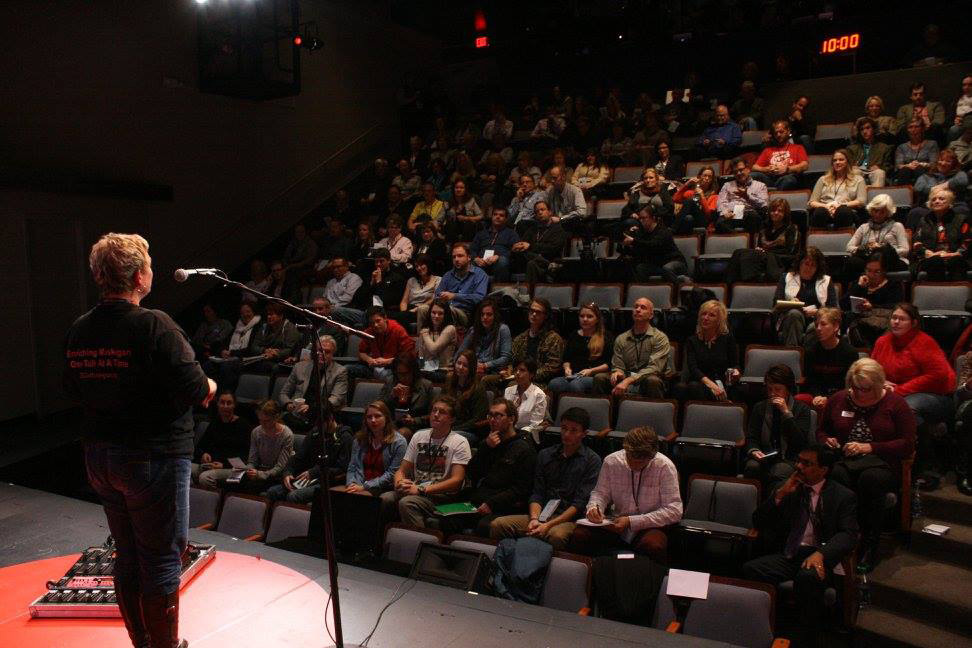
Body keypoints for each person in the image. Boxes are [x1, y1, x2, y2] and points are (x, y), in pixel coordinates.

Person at [64, 233, 216, 648]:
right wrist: (212, 383)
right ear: (138, 277)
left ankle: (142, 644)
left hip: (100, 457)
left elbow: (73, 390)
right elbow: (197, 390)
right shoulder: (154, 324)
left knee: (128, 554)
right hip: (152, 457)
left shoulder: (80, 329)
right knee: (163, 557)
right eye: (148, 263)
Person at [742, 444, 858, 648]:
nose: (798, 467)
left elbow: (848, 535)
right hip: (792, 553)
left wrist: (822, 554)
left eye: (807, 463)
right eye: (798, 461)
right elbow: (758, 522)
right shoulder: (790, 488)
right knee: (751, 569)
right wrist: (779, 496)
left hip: (822, 556)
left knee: (807, 577)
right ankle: (767, 630)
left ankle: (805, 639)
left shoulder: (843, 496)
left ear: (823, 469)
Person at [818, 358, 916, 571]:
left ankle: (870, 542)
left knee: (869, 480)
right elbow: (822, 431)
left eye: (866, 389)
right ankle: (841, 537)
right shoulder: (839, 399)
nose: (859, 393)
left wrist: (870, 447)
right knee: (837, 476)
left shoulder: (895, 404)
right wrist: (828, 440)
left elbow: (907, 444)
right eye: (855, 388)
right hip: (846, 459)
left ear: (879, 384)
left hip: (882, 463)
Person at [490, 408, 602, 550]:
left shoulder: (592, 461)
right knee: (498, 525)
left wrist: (548, 525)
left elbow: (579, 504)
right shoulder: (545, 455)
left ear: (584, 434)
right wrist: (535, 519)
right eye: (564, 428)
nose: (566, 434)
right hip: (540, 514)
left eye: (573, 430)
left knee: (556, 536)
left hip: (567, 519)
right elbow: (537, 493)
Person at [572, 426, 682, 561]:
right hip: (616, 522)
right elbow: (600, 493)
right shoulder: (612, 461)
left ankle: (649, 580)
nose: (633, 465)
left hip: (648, 525)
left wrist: (631, 521)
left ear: (652, 456)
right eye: (630, 458)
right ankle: (590, 577)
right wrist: (594, 508)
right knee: (580, 535)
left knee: (654, 545)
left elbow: (674, 511)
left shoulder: (665, 466)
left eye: (640, 462)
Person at [385, 397, 472, 528]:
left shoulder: (460, 441)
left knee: (407, 502)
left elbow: (457, 481)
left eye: (442, 412)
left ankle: (419, 543)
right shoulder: (419, 436)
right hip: (416, 488)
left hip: (441, 496)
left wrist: (421, 490)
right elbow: (401, 471)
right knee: (386, 498)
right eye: (434, 410)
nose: (436, 414)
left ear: (452, 419)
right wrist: (399, 483)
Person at [870, 303, 956, 430]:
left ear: (914, 323)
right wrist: (881, 382)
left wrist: (899, 390)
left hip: (934, 395)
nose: (896, 322)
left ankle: (917, 446)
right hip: (891, 392)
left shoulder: (925, 342)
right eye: (894, 318)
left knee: (904, 407)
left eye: (902, 319)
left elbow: (938, 375)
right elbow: (872, 369)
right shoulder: (882, 342)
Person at [460, 398, 538, 537]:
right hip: (479, 501)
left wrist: (492, 503)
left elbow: (522, 489)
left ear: (511, 419)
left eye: (498, 415)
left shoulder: (524, 448)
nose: (492, 420)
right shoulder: (488, 443)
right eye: (490, 415)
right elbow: (472, 474)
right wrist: (485, 449)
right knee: (445, 519)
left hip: (504, 507)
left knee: (483, 526)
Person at [199, 399, 294, 494]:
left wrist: (259, 474)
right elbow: (252, 460)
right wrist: (249, 470)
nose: (263, 424)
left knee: (250, 487)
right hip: (257, 470)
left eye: (267, 421)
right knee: (232, 481)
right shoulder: (256, 432)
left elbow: (280, 467)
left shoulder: (286, 435)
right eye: (260, 420)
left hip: (274, 475)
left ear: (276, 417)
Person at [265, 405, 353, 504]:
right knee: (272, 492)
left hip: (327, 482)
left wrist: (314, 472)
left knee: (293, 496)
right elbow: (298, 458)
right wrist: (288, 472)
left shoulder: (345, 437)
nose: (318, 427)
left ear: (330, 418)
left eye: (320, 424)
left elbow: (342, 469)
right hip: (307, 479)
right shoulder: (314, 432)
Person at [743, 365, 813, 489]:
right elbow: (751, 437)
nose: (772, 394)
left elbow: (800, 442)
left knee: (779, 470)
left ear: (788, 389)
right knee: (752, 467)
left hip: (790, 458)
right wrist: (754, 450)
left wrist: (786, 413)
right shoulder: (760, 408)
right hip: (765, 455)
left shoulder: (802, 409)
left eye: (777, 389)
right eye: (769, 389)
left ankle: (774, 504)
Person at [596, 298, 671, 398]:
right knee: (600, 378)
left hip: (649, 377)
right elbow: (618, 364)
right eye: (636, 307)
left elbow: (654, 368)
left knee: (653, 381)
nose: (638, 309)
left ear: (651, 315)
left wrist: (628, 380)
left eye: (643, 307)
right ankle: (607, 411)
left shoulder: (660, 338)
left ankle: (653, 411)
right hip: (626, 376)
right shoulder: (621, 338)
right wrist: (618, 372)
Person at [674, 300, 740, 402]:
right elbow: (693, 369)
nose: (705, 318)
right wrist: (711, 385)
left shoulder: (727, 339)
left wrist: (736, 371)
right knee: (689, 386)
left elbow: (735, 365)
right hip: (701, 382)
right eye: (703, 314)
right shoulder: (692, 341)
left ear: (719, 320)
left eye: (711, 315)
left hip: (722, 382)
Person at [278, 334, 349, 428]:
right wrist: (289, 405)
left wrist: (311, 408)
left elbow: (335, 400)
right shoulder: (299, 367)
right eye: (319, 350)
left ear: (333, 354)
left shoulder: (340, 371)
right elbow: (283, 393)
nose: (322, 354)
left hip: (320, 416)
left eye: (327, 352)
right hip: (295, 413)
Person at [773, 247, 838, 346]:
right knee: (794, 314)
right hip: (792, 318)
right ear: (799, 263)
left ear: (817, 268)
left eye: (813, 265)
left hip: (816, 318)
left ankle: (806, 357)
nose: (808, 268)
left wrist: (817, 312)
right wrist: (790, 303)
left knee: (815, 327)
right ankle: (792, 353)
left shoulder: (826, 281)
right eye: (806, 264)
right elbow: (776, 302)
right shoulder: (787, 277)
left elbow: (833, 308)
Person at [799, 308, 860, 412]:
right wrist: (817, 396)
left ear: (836, 326)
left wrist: (828, 398)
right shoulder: (810, 351)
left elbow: (848, 384)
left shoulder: (849, 353)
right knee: (799, 400)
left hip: (839, 396)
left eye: (823, 324)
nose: (818, 328)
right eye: (816, 324)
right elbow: (810, 380)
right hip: (815, 396)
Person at [416, 243, 489, 328]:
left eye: (460, 256)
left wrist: (455, 296)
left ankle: (444, 338)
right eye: (454, 257)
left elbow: (479, 298)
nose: (456, 259)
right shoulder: (448, 275)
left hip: (466, 313)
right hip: (445, 308)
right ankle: (421, 338)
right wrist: (442, 298)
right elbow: (437, 294)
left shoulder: (479, 274)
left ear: (469, 257)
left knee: (448, 311)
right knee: (422, 309)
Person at [726, 198, 798, 283]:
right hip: (763, 256)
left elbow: (790, 251)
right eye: (773, 210)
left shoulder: (791, 228)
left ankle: (749, 280)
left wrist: (766, 252)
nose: (776, 213)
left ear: (785, 214)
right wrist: (760, 249)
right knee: (738, 252)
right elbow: (759, 246)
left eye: (780, 211)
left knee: (752, 255)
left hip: (779, 259)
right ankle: (729, 285)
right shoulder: (764, 227)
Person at [548, 304, 614, 395]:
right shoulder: (574, 335)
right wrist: (567, 368)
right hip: (573, 375)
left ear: (597, 319)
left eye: (589, 316)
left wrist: (591, 371)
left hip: (593, 376)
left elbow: (609, 364)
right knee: (554, 384)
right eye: (582, 316)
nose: (585, 319)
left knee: (576, 385)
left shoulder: (606, 336)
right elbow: (566, 359)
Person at [845, 254, 906, 348]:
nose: (871, 275)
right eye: (868, 270)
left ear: (884, 271)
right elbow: (843, 304)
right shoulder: (858, 283)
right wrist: (858, 287)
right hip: (859, 321)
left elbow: (896, 306)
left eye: (877, 272)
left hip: (882, 323)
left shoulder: (893, 285)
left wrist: (872, 306)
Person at [909, 187, 970, 281]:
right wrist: (927, 252)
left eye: (941, 199)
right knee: (935, 261)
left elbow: (968, 241)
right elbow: (917, 242)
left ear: (950, 203)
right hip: (931, 257)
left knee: (956, 262)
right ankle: (938, 293)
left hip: (955, 256)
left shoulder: (961, 219)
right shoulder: (924, 220)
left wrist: (956, 253)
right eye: (933, 199)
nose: (937, 201)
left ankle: (957, 293)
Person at [844, 194, 910, 280]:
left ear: (888, 213)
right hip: (870, 259)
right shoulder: (864, 227)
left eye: (882, 212)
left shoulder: (897, 226)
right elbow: (849, 247)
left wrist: (882, 249)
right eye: (875, 211)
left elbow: (905, 250)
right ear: (871, 210)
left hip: (891, 260)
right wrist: (866, 248)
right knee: (852, 262)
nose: (878, 214)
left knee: (885, 257)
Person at [617, 204, 688, 284]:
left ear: (653, 218)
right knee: (640, 268)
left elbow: (653, 245)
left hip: (675, 261)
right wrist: (626, 243)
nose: (641, 221)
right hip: (658, 264)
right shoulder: (641, 232)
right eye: (639, 219)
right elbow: (637, 251)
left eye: (644, 218)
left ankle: (679, 289)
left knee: (667, 268)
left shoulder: (663, 231)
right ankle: (643, 293)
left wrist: (634, 241)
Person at [192, 391, 251, 485]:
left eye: (229, 403)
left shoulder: (243, 425)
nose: (225, 406)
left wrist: (223, 465)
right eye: (222, 402)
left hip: (234, 468)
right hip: (211, 465)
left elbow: (244, 456)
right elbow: (201, 446)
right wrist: (204, 454)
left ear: (234, 405)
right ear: (218, 404)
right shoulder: (215, 422)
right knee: (184, 468)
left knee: (205, 477)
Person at [506, 297, 565, 387]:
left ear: (545, 316)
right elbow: (512, 360)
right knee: (489, 381)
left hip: (540, 381)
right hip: (518, 376)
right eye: (532, 311)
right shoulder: (520, 338)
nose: (533, 314)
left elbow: (552, 367)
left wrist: (527, 376)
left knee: (512, 386)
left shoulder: (554, 339)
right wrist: (509, 371)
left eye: (538, 312)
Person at [510, 199, 569, 283]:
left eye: (542, 210)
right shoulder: (532, 230)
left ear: (550, 212)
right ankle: (546, 264)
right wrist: (517, 247)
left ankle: (528, 293)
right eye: (537, 211)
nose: (540, 213)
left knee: (532, 264)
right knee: (520, 255)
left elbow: (553, 249)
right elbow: (523, 245)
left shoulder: (558, 230)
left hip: (549, 260)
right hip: (534, 261)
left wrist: (530, 246)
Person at [808, 149, 867, 229]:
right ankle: (819, 239)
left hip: (846, 211)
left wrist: (839, 206)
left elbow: (861, 201)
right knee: (820, 212)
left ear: (848, 162)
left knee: (842, 211)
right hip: (825, 209)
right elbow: (812, 202)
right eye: (835, 160)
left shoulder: (858, 179)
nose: (837, 162)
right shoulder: (823, 179)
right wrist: (827, 206)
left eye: (841, 160)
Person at [380, 353, 433, 441]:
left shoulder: (426, 386)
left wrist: (414, 420)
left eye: (406, 374)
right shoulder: (390, 382)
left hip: (415, 426)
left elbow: (433, 414)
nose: (403, 378)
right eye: (399, 374)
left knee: (401, 434)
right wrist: (392, 396)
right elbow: (379, 406)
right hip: (392, 423)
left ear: (413, 372)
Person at [355, 306, 415, 383]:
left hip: (392, 367)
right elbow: (361, 352)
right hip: (373, 367)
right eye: (372, 323)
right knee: (348, 369)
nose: (375, 325)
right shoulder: (369, 331)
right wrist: (369, 360)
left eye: (378, 321)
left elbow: (409, 356)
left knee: (391, 376)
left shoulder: (398, 330)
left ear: (385, 318)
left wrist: (387, 361)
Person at [456, 297, 512, 378]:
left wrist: (485, 365)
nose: (485, 317)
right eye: (482, 314)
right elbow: (460, 352)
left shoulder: (503, 329)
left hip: (493, 370)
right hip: (474, 367)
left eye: (489, 314)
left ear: (495, 316)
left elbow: (505, 358)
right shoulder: (474, 330)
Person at [443, 350, 489, 445]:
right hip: (448, 427)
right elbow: (440, 403)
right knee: (421, 435)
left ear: (471, 368)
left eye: (465, 365)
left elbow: (477, 420)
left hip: (470, 431)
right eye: (458, 363)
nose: (460, 367)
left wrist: (452, 429)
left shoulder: (478, 388)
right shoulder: (449, 381)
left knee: (445, 439)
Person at [715, 157, 768, 235]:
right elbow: (721, 202)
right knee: (719, 223)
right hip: (732, 214)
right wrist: (725, 212)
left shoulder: (760, 185)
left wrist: (747, 197)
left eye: (741, 170)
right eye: (735, 172)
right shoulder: (727, 185)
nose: (738, 173)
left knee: (754, 217)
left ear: (748, 169)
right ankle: (739, 239)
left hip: (749, 213)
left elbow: (764, 204)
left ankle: (749, 242)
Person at [751, 120, 809, 190]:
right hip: (770, 178)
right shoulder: (768, 150)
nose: (778, 135)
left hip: (787, 176)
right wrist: (765, 169)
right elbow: (754, 167)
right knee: (753, 175)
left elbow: (804, 165)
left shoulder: (798, 147)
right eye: (776, 133)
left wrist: (787, 169)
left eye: (781, 132)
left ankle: (775, 196)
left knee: (789, 180)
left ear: (788, 131)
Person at [503, 358, 550, 444]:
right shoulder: (508, 391)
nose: (517, 373)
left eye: (522, 370)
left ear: (531, 374)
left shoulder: (539, 395)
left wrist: (515, 435)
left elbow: (535, 425)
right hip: (507, 433)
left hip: (525, 437)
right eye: (516, 370)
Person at [470, 206, 519, 283]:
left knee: (502, 261)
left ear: (506, 219)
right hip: (482, 261)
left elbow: (514, 250)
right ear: (492, 217)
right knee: (470, 263)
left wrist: (499, 256)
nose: (498, 217)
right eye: (495, 214)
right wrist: (476, 258)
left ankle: (498, 290)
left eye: (501, 215)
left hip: (500, 262)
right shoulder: (481, 233)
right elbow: (472, 249)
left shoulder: (511, 233)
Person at [416, 297, 457, 380]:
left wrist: (425, 335)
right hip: (427, 368)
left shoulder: (450, 329)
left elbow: (434, 349)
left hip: (443, 370)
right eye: (433, 313)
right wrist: (422, 366)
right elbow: (421, 356)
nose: (436, 316)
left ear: (446, 315)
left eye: (440, 313)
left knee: (416, 372)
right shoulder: (425, 330)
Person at [847, 117, 892, 188]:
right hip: (858, 170)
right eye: (862, 129)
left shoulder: (884, 147)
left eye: (868, 128)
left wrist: (879, 167)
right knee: (855, 171)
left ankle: (876, 197)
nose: (865, 131)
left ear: (874, 129)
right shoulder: (852, 148)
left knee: (879, 172)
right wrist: (852, 166)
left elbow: (888, 166)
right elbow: (847, 165)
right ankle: (859, 197)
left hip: (874, 171)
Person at [672, 165, 719, 234]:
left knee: (690, 201)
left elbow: (709, 215)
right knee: (688, 218)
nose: (707, 178)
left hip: (705, 222)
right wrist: (687, 184)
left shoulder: (714, 196)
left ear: (712, 180)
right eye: (705, 175)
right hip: (691, 220)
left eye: (710, 177)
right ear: (699, 177)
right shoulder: (691, 192)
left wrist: (702, 196)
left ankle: (673, 229)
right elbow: (675, 199)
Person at [398, 254, 441, 325]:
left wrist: (416, 309)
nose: (419, 268)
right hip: (409, 310)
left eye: (421, 265)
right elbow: (404, 301)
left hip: (424, 309)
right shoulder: (411, 280)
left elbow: (434, 299)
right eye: (416, 266)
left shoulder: (438, 280)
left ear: (428, 265)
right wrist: (404, 313)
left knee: (394, 317)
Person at [894, 118, 939, 186]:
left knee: (919, 169)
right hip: (905, 173)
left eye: (917, 126)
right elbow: (898, 165)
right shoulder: (901, 147)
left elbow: (934, 164)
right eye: (910, 127)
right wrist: (909, 165)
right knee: (905, 170)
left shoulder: (932, 144)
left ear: (922, 129)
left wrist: (921, 164)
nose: (913, 130)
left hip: (925, 172)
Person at [948, 75, 972, 142]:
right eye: (964, 85)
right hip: (957, 124)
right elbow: (950, 116)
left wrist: (964, 119)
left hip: (968, 124)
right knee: (953, 129)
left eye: (970, 85)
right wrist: (955, 120)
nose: (967, 87)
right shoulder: (957, 99)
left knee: (954, 130)